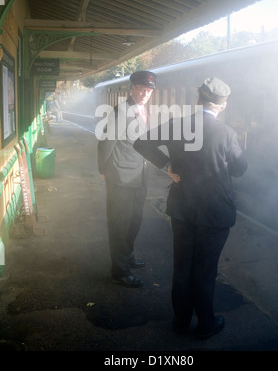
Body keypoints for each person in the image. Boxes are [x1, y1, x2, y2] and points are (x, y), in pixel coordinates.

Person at [133, 77, 247, 338]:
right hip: (215, 213)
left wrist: (166, 165)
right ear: (223, 105)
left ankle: (181, 321)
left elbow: (141, 143)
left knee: (183, 266)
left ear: (198, 99)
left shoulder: (177, 125)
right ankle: (206, 323)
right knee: (205, 270)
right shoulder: (227, 134)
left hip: (183, 209)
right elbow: (241, 169)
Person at [97, 70, 157, 288]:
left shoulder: (144, 111)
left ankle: (128, 255)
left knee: (134, 221)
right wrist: (104, 170)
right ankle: (120, 271)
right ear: (132, 88)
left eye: (148, 90)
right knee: (119, 224)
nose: (144, 93)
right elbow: (106, 143)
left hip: (139, 176)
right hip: (120, 177)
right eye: (141, 88)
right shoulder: (120, 111)